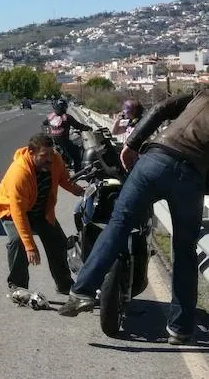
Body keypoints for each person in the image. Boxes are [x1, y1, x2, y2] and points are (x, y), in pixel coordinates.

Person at [59, 89, 209, 345]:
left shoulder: (204, 94)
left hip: (156, 159)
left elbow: (161, 108)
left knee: (119, 223)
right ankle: (180, 327)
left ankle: (83, 291)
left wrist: (131, 144)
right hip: (192, 177)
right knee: (184, 250)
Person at [0, 133, 84, 295]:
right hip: (12, 211)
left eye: (51, 153)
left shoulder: (55, 160)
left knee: (58, 243)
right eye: (44, 155)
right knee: (17, 241)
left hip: (41, 211)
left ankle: (64, 284)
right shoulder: (19, 172)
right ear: (31, 153)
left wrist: (77, 190)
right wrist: (30, 247)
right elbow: (18, 212)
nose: (49, 159)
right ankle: (18, 287)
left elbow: (63, 178)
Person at [43, 98, 92, 171]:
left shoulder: (50, 117)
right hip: (64, 141)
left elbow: (44, 123)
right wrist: (88, 128)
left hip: (54, 142)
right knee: (76, 155)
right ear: (64, 107)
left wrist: (52, 129)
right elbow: (78, 126)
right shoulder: (67, 117)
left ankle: (66, 163)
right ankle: (78, 173)